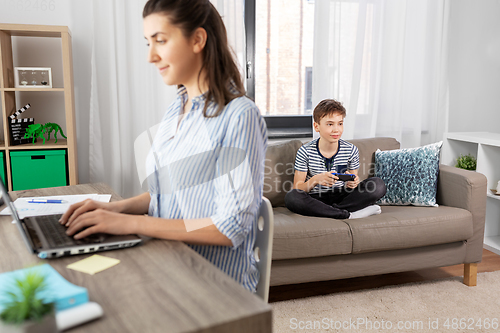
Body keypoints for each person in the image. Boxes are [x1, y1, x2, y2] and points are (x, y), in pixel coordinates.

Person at [59, 0, 267, 292]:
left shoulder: (239, 116)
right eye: (147, 43)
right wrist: (115, 210)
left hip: (213, 286)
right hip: (167, 262)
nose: (151, 56)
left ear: (197, 39)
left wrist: (133, 224)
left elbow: (228, 227)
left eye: (160, 40)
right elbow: (164, 190)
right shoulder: (177, 108)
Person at [284, 99, 385, 220]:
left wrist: (352, 183)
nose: (336, 129)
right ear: (317, 126)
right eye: (330, 124)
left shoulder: (351, 150)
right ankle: (348, 214)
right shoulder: (304, 151)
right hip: (316, 198)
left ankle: (333, 210)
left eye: (340, 123)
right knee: (292, 197)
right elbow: (298, 188)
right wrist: (316, 179)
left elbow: (353, 182)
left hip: (342, 195)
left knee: (378, 185)